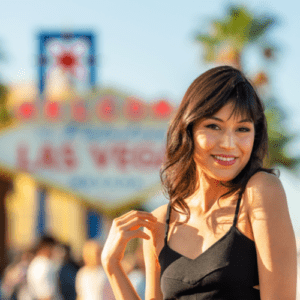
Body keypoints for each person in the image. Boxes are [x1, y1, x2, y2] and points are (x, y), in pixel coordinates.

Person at [100, 65, 297, 299]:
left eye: (242, 129)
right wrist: (112, 267)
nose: (229, 144)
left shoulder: (261, 191)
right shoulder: (160, 221)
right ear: (188, 129)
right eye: (214, 126)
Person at [27, 235, 61, 300]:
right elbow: (45, 296)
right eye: (54, 248)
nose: (56, 251)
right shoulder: (44, 265)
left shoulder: (37, 264)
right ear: (47, 248)